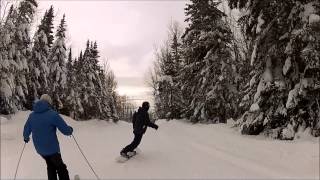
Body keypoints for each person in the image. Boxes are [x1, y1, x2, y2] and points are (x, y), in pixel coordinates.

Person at [23, 94, 73, 180]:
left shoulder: (32, 116)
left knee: (50, 166)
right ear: (49, 103)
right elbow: (65, 130)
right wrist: (70, 130)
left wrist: (26, 138)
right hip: (52, 149)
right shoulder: (52, 115)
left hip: (40, 149)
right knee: (61, 168)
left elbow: (26, 130)